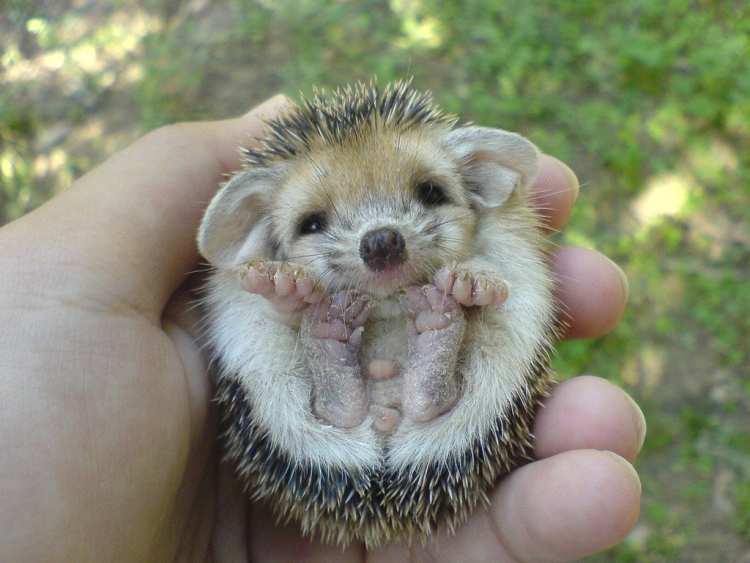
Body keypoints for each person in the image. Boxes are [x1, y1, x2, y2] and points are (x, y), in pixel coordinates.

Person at [0, 95, 644, 562]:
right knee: (256, 303)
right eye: (313, 224)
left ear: (477, 178)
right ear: (258, 222)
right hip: (355, 410)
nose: (380, 240)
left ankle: (364, 363)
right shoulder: (265, 254)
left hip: (386, 406)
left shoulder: (475, 227)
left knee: (495, 282)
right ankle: (417, 361)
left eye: (425, 193)